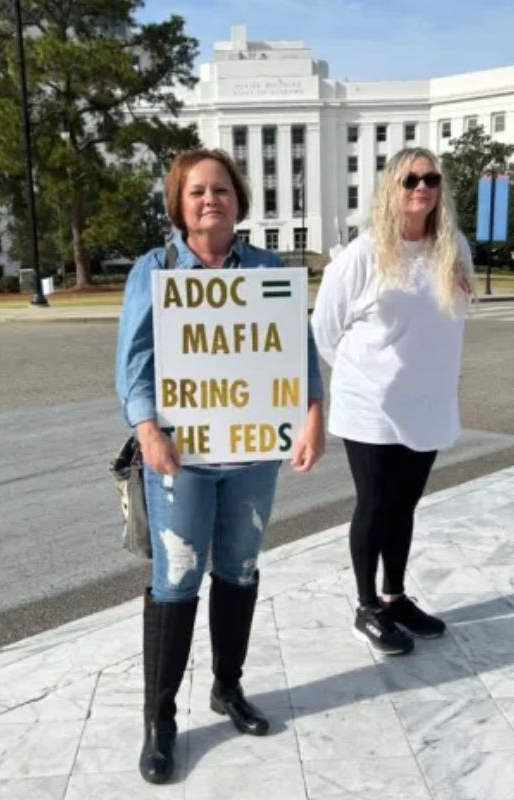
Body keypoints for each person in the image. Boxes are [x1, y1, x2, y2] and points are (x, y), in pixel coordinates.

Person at [115, 148, 326, 783]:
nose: (212, 200)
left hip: (252, 452)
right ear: (180, 203)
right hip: (181, 453)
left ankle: (227, 687)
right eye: (198, 191)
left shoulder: (266, 268)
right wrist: (146, 428)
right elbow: (135, 360)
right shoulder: (156, 270)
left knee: (239, 568)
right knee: (176, 578)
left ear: (239, 200)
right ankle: (160, 721)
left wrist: (313, 412)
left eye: (223, 190)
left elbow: (298, 349)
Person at [311, 147, 474, 656]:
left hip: (427, 402)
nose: (420, 187)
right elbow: (325, 330)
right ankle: (367, 607)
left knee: (404, 507)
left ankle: (394, 595)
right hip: (371, 408)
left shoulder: (453, 249)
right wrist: (367, 377)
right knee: (376, 506)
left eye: (430, 179)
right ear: (392, 188)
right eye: (409, 180)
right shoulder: (363, 255)